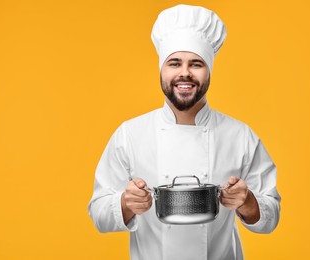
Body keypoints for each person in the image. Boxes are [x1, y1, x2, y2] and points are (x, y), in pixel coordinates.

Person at [88, 4, 281, 260]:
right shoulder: (130, 135)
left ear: (209, 70)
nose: (184, 73)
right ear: (162, 69)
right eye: (174, 63)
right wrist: (125, 204)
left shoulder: (240, 136)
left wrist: (247, 202)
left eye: (196, 64)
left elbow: (271, 216)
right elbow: (98, 212)